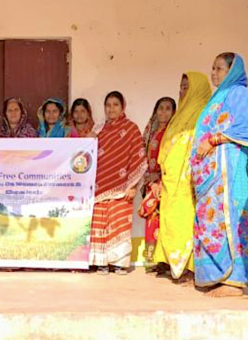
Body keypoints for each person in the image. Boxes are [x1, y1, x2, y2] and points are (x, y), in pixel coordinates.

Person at [190, 52, 248, 297]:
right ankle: (215, 275)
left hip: (229, 172)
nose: (214, 73)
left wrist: (214, 140)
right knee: (211, 221)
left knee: (230, 219)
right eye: (213, 67)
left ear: (232, 71)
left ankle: (234, 280)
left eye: (219, 68)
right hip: (211, 177)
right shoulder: (218, 97)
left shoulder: (238, 93)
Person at [154, 73, 212, 282]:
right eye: (181, 86)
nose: (182, 91)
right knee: (170, 222)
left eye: (187, 87)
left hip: (188, 181)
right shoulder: (180, 115)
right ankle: (171, 262)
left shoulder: (203, 114)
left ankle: (187, 268)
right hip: (171, 181)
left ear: (196, 90)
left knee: (184, 222)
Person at [90, 91, 147, 275]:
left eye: (115, 104)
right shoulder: (98, 129)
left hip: (122, 186)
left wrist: (132, 186)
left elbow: (137, 157)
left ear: (123, 107)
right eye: (108, 105)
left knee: (119, 222)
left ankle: (119, 263)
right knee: (100, 223)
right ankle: (102, 262)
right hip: (99, 186)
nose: (111, 109)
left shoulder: (131, 129)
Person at [138, 97, 176, 274]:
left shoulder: (174, 133)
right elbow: (142, 155)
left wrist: (159, 177)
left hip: (167, 183)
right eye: (160, 108)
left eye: (168, 109)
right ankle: (152, 259)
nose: (163, 112)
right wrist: (147, 177)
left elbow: (174, 159)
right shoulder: (150, 131)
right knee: (152, 220)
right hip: (150, 182)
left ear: (174, 113)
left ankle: (166, 260)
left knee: (165, 221)